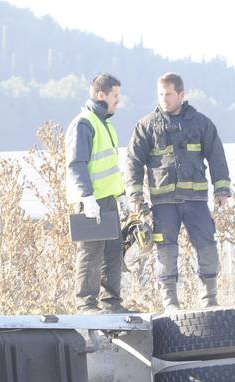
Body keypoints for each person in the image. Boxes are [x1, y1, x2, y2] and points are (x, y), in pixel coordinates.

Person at [125, 72, 232, 311]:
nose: (164, 99)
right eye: (161, 95)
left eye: (169, 94)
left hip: (196, 201)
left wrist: (222, 188)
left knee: (206, 245)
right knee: (165, 250)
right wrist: (135, 195)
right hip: (163, 203)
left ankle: (210, 299)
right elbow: (133, 161)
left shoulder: (202, 123)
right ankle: (170, 302)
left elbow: (217, 156)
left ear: (182, 95)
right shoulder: (146, 126)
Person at [67, 73, 129, 315]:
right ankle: (86, 304)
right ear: (100, 95)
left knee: (114, 251)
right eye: (115, 95)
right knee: (90, 253)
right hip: (91, 202)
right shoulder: (84, 123)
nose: (118, 101)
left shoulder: (105, 123)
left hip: (109, 199)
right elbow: (76, 164)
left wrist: (121, 194)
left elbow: (110, 166)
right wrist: (87, 197)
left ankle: (111, 302)